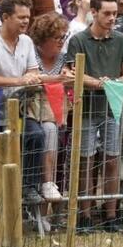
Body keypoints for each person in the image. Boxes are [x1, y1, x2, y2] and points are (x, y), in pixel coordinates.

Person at [63, 0, 123, 232]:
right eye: (107, 13)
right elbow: (74, 73)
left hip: (111, 109)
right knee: (85, 162)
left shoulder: (122, 40)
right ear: (93, 12)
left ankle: (111, 215)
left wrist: (115, 83)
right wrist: (99, 83)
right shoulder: (78, 40)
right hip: (86, 110)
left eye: (115, 13)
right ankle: (85, 214)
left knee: (112, 160)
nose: (112, 17)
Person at [0, 0, 52, 206]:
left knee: (36, 135)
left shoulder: (27, 41)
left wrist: (30, 77)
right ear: (5, 17)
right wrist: (19, 80)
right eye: (21, 17)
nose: (26, 21)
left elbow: (33, 71)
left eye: (27, 17)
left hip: (19, 111)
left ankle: (28, 186)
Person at [30, 12, 74, 226]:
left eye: (63, 37)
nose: (61, 42)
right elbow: (32, 78)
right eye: (57, 37)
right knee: (47, 131)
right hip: (33, 115)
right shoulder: (32, 56)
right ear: (43, 38)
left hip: (62, 118)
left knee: (62, 165)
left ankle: (53, 215)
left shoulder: (65, 59)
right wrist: (56, 79)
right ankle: (42, 205)